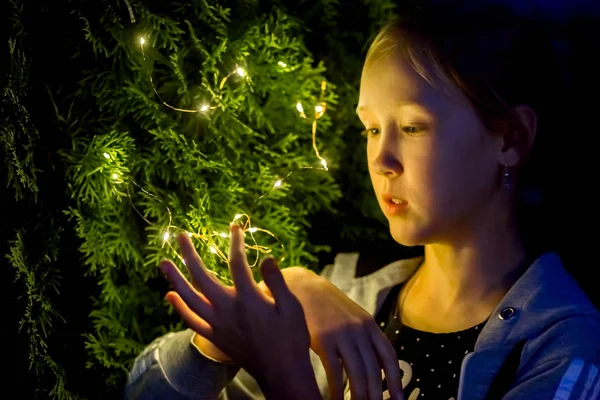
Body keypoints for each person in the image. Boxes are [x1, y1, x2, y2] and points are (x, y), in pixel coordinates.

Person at [124, 3, 600, 400]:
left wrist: (287, 377)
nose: (381, 158)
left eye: (412, 127)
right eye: (371, 128)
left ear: (510, 138)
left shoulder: (563, 345)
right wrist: (227, 338)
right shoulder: (345, 294)